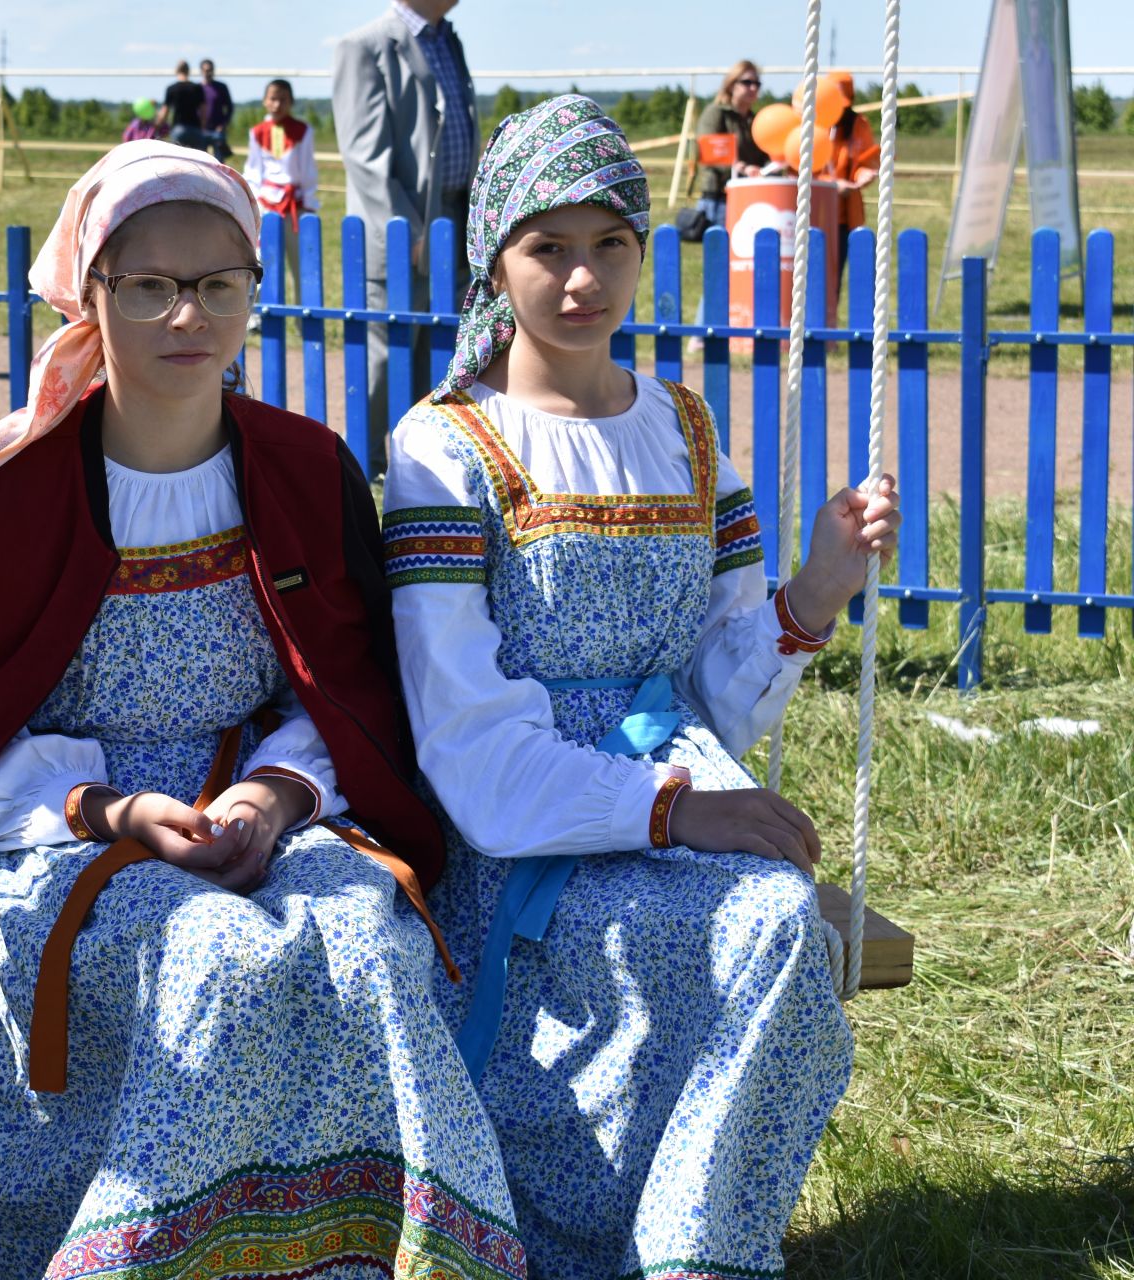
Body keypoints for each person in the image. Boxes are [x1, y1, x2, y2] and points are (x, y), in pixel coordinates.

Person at [0, 140, 525, 1280]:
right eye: (151, 285)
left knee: (364, 939)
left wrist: (273, 795)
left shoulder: (305, 468)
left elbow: (345, 685)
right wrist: (113, 810)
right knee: (213, 952)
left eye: (219, 283)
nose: (188, 315)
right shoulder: (3, 489)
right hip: (53, 835)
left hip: (259, 803)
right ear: (92, 293)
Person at [383, 95, 898, 1280]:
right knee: (769, 925)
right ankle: (681, 1251)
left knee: (771, 918)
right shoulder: (447, 445)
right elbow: (464, 737)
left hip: (675, 774)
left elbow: (718, 689)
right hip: (520, 825)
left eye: (610, 242)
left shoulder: (684, 425)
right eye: (546, 246)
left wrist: (817, 586)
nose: (582, 278)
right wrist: (673, 809)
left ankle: (689, 1244)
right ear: (493, 259)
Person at [332, 0, 476, 474]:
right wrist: (409, 232)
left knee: (436, 348)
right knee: (387, 353)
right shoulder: (365, 46)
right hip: (404, 231)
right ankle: (359, 468)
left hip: (452, 222)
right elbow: (365, 157)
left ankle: (422, 464)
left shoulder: (447, 38)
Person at [241, 77, 318, 309]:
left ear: (291, 102)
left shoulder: (302, 131)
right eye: (273, 99)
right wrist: (254, 203)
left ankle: (304, 316)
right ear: (265, 101)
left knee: (301, 264)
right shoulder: (258, 132)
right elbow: (253, 170)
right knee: (262, 262)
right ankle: (258, 315)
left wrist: (308, 200)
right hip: (267, 206)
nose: (277, 105)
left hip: (295, 207)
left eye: (283, 99)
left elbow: (307, 170)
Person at [816, 71, 880, 282]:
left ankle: (830, 315)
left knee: (835, 279)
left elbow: (864, 160)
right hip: (815, 215)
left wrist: (865, 174)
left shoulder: (859, 125)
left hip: (846, 217)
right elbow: (801, 172)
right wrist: (832, 185)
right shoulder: (812, 126)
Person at [694, 60, 768, 228]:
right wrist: (741, 168)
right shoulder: (716, 112)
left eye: (757, 83)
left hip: (751, 194)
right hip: (719, 197)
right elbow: (707, 151)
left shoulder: (756, 120)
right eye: (747, 82)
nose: (753, 88)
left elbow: (765, 154)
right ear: (731, 84)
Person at [158, 59, 211, 154]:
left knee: (179, 160)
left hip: (178, 128)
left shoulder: (171, 88)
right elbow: (203, 110)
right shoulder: (197, 88)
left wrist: (158, 125)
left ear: (177, 71)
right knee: (199, 160)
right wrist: (202, 126)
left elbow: (165, 112)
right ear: (188, 71)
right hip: (195, 128)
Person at [197, 57, 233, 160]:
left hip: (218, 131)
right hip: (201, 131)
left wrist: (223, 124)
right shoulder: (197, 88)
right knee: (201, 162)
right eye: (205, 70)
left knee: (219, 164)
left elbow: (230, 107)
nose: (207, 73)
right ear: (201, 71)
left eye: (210, 70)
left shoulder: (221, 87)